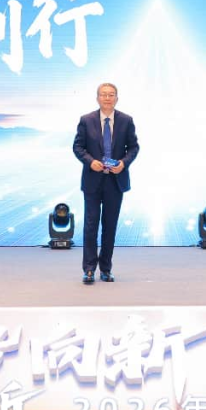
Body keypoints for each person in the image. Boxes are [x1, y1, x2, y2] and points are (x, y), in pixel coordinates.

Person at [72, 82, 140, 285]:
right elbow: (78, 147)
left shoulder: (126, 120)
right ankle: (89, 269)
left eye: (111, 95)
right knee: (91, 225)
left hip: (115, 181)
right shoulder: (86, 120)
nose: (107, 98)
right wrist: (90, 161)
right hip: (92, 181)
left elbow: (134, 147)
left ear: (116, 98)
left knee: (109, 227)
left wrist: (123, 163)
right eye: (103, 94)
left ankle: (106, 269)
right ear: (97, 98)